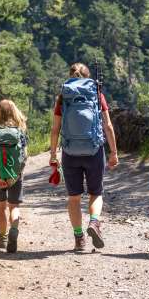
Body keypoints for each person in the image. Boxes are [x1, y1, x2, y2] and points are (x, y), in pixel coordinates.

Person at [49, 63, 119, 251]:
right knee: (96, 193)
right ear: (88, 77)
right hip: (94, 151)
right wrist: (113, 152)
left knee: (74, 198)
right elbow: (108, 126)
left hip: (70, 152)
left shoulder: (63, 96)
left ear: (70, 76)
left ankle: (79, 238)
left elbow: (55, 129)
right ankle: (94, 222)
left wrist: (53, 154)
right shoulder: (97, 94)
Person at [0, 99, 29, 253]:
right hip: (15, 176)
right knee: (14, 206)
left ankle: (3, 238)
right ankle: (14, 230)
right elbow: (24, 155)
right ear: (15, 112)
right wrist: (16, 176)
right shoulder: (20, 131)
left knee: (0, 206)